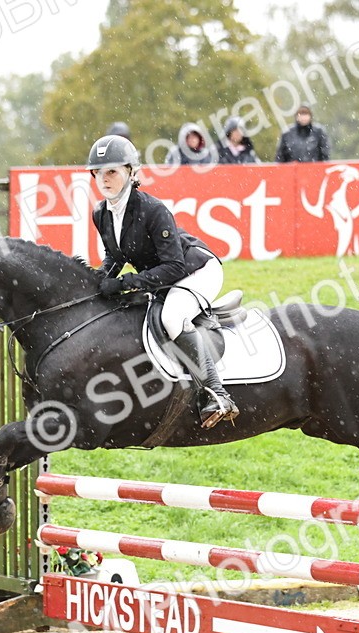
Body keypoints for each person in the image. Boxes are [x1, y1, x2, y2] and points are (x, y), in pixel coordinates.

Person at [87, 134, 239, 428]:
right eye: (98, 173)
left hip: (197, 271)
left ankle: (217, 394)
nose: (104, 180)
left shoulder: (153, 210)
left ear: (131, 173)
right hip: (163, 276)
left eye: (112, 172)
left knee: (172, 317)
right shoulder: (101, 213)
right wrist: (98, 283)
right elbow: (115, 255)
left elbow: (173, 266)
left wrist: (127, 282)